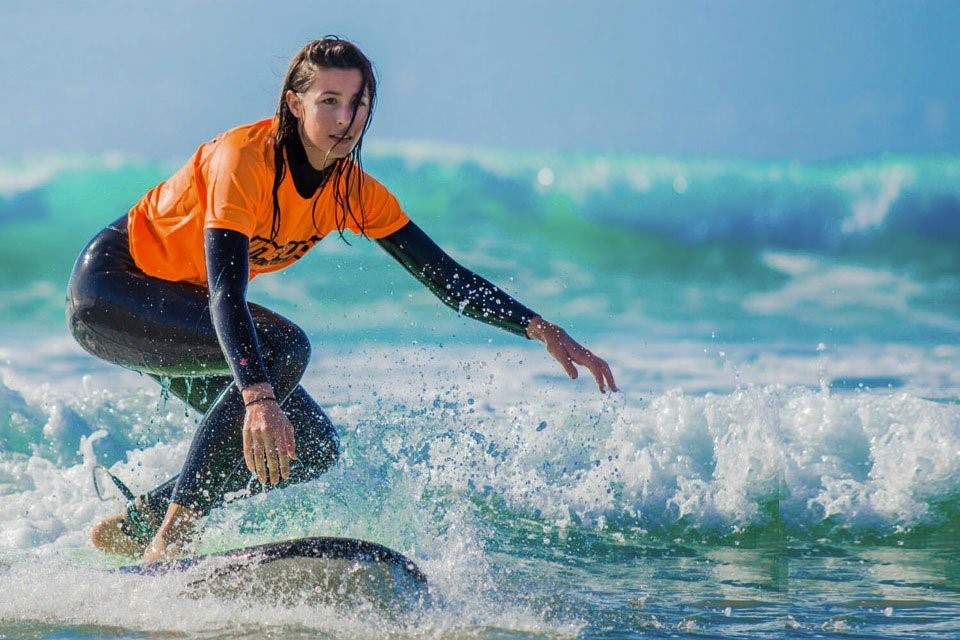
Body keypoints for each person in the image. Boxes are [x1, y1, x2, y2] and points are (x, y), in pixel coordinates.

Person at [66, 37, 617, 565]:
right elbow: (226, 293)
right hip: (113, 290)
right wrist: (258, 398)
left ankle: (139, 524)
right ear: (294, 104)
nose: (344, 118)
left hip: (184, 308)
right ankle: (175, 536)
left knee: (311, 445)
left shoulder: (351, 190)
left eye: (357, 103)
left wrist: (541, 328)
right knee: (283, 349)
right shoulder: (244, 161)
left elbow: (447, 279)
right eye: (328, 101)